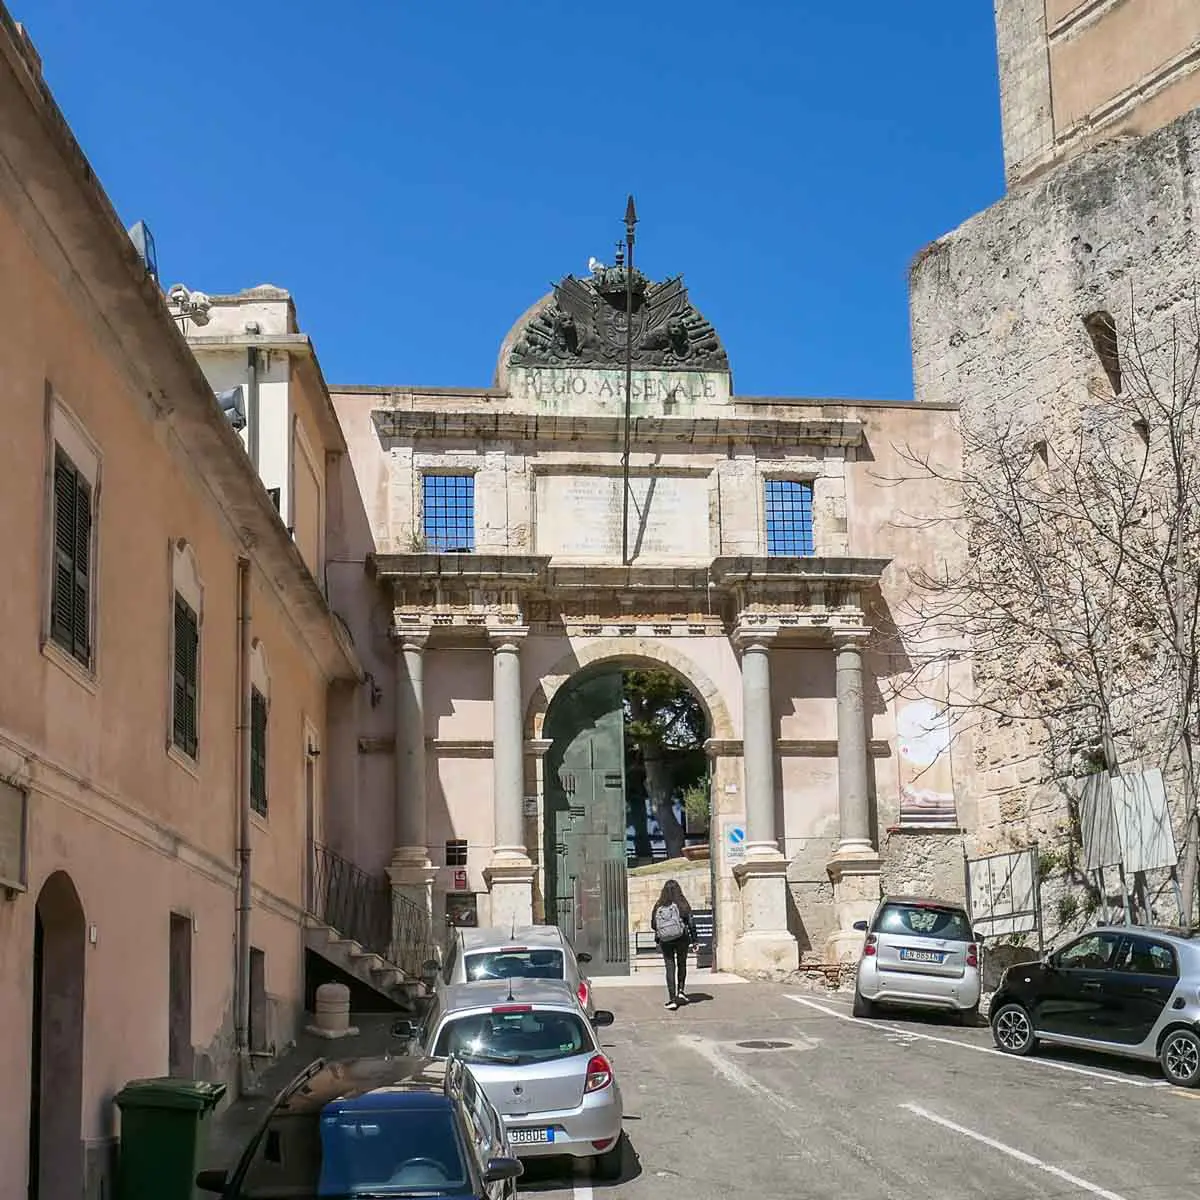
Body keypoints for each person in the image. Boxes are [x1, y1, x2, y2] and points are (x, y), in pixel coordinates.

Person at [651, 879, 698, 1011]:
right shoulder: (682, 903)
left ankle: (672, 1000)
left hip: (665, 941)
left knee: (670, 968)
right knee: (681, 964)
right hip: (682, 938)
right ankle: (681, 991)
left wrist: (664, 931)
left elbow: (653, 925)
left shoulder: (659, 904)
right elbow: (691, 922)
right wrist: (695, 940)